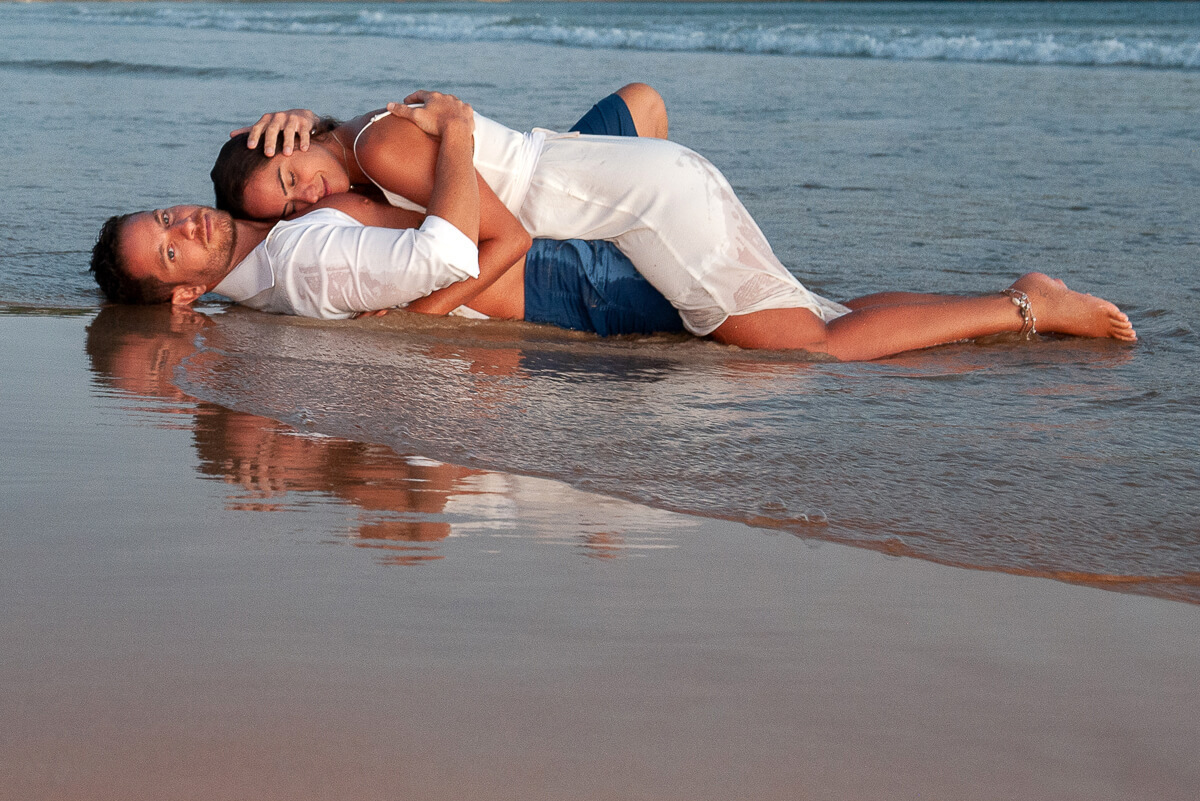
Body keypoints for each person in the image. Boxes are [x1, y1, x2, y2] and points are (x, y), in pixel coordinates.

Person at [211, 89, 1137, 359]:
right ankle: (1017, 301)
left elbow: (507, 236)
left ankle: (1026, 306)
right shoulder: (366, 143)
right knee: (815, 304)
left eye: (291, 178)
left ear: (295, 134)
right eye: (286, 208)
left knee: (809, 344)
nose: (302, 203)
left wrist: (415, 311)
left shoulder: (381, 151)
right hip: (647, 189)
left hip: (651, 210)